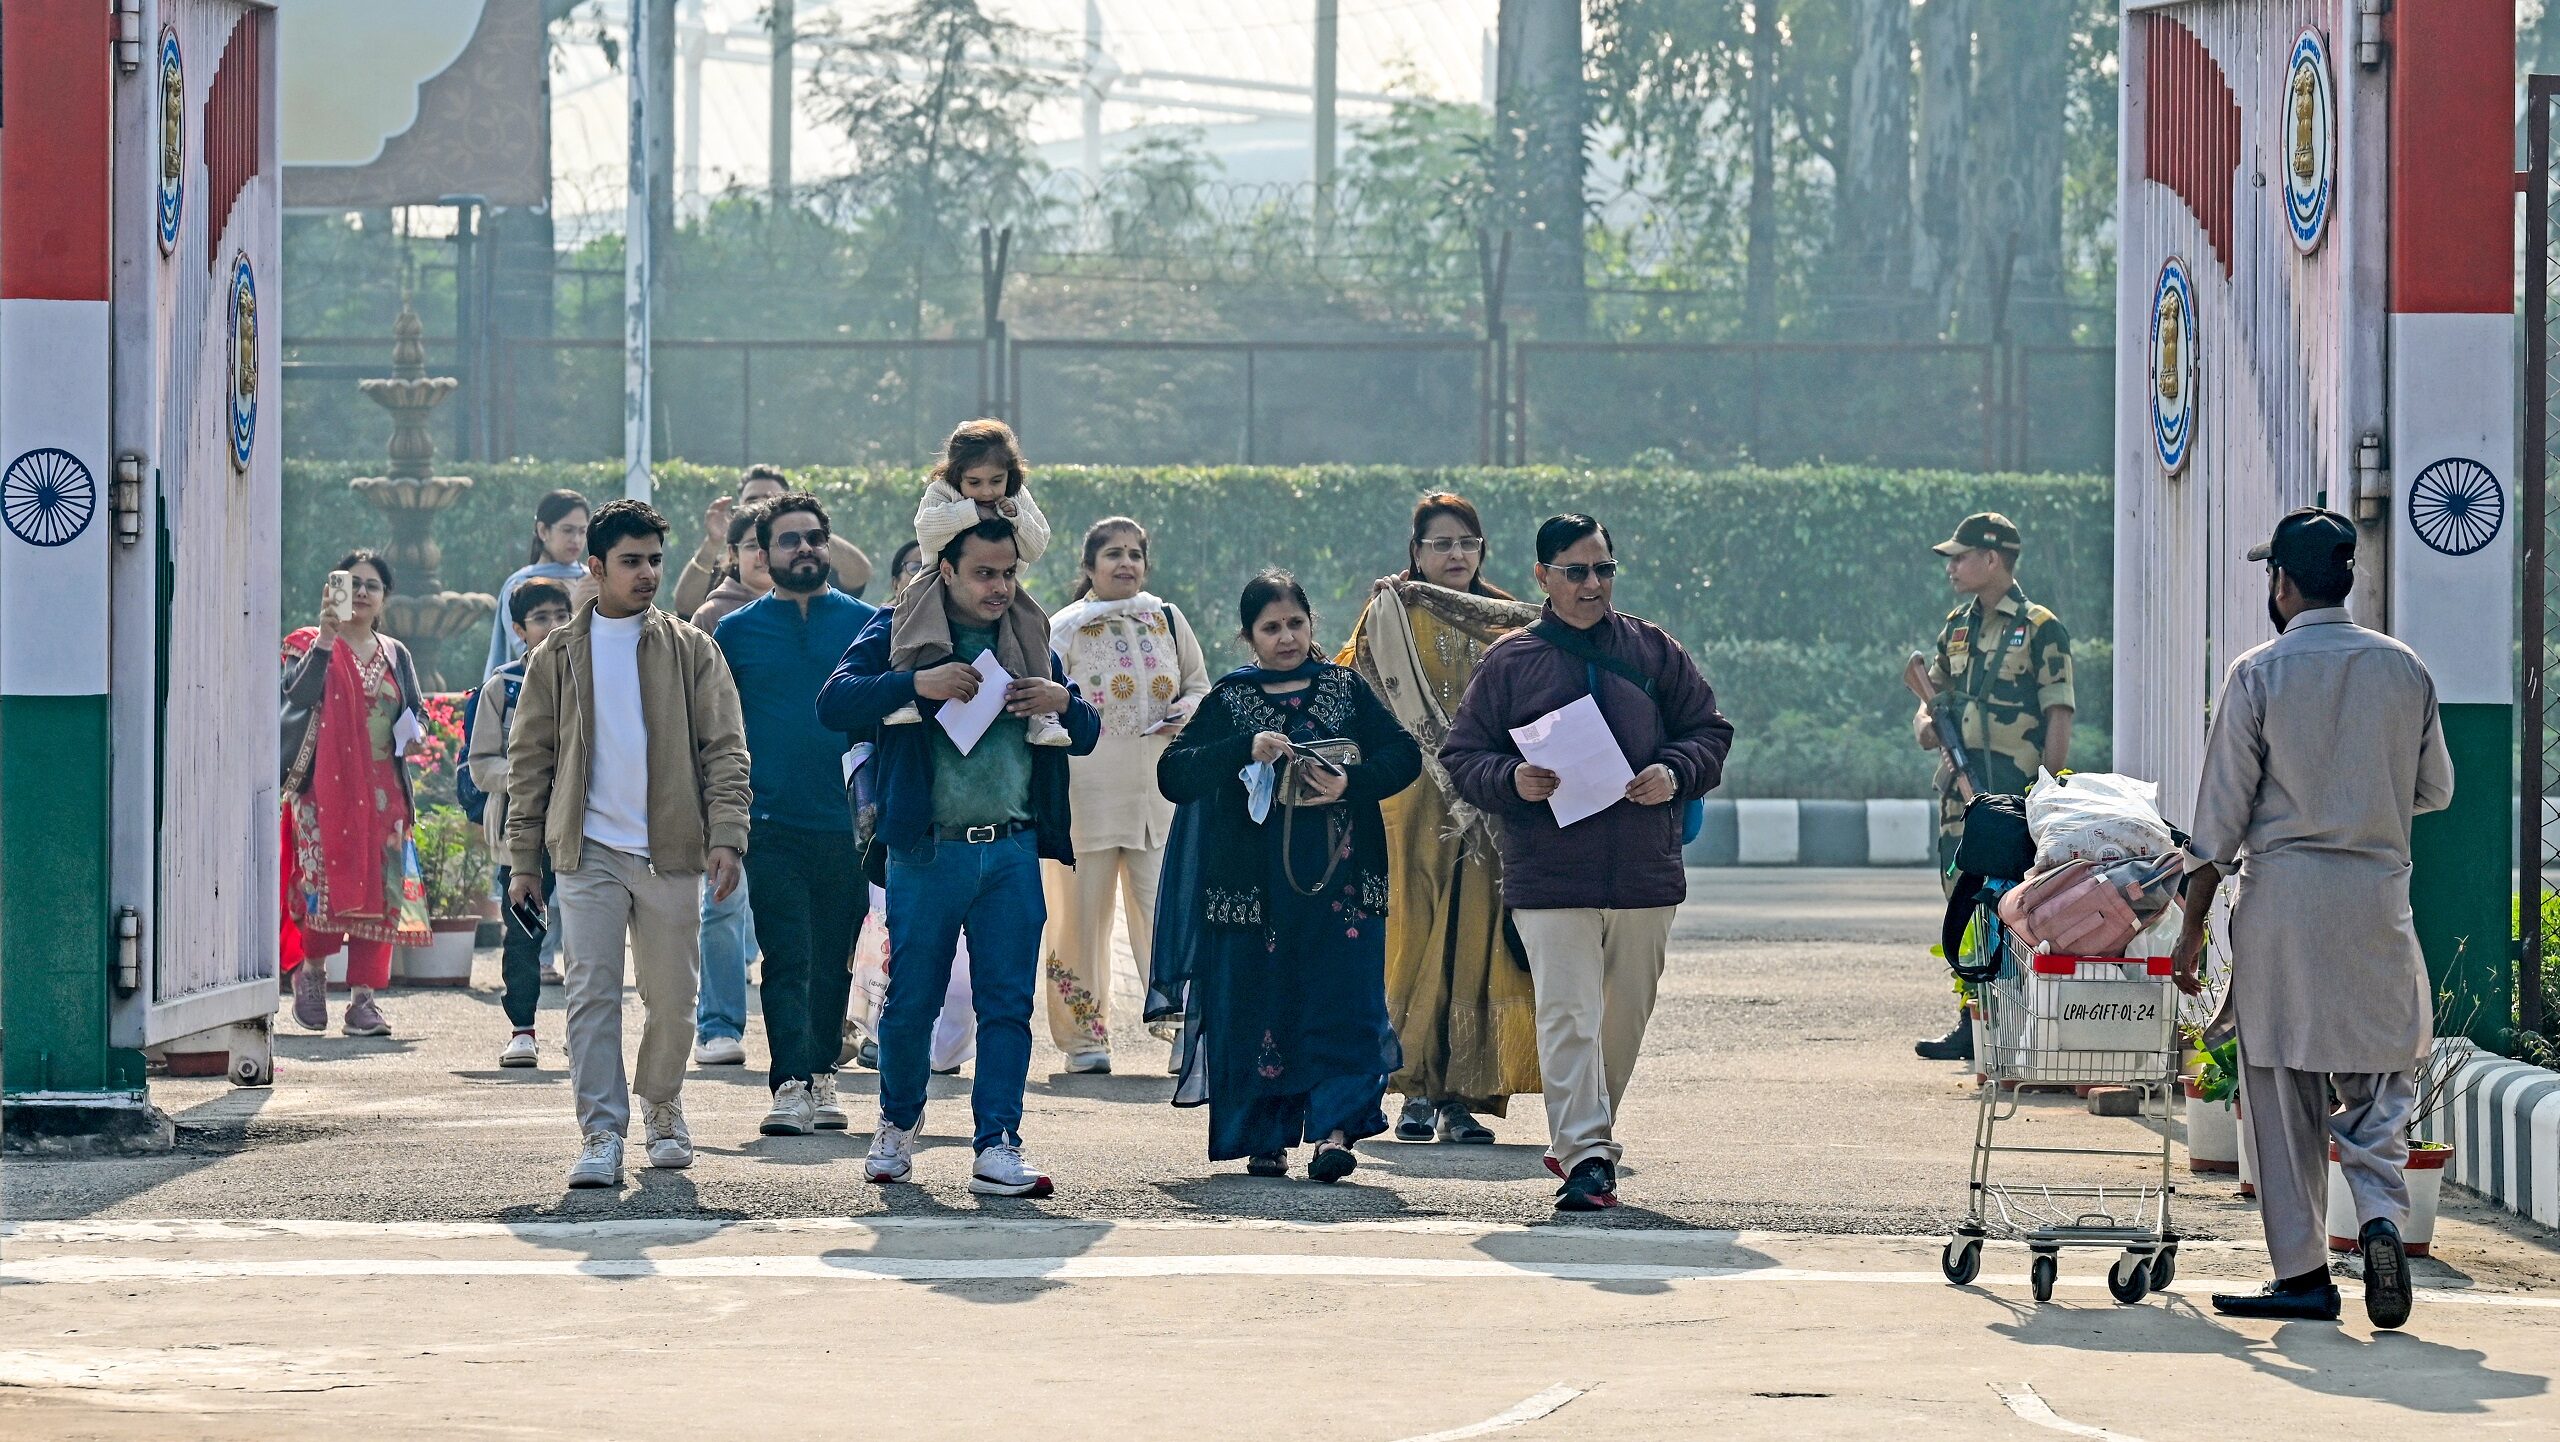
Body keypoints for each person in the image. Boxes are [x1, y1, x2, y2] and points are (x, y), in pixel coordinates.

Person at [2172, 508, 2452, 1331]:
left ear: (2282, 584)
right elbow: (2435, 791)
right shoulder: (2406, 670)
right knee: (2377, 1084)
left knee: (2280, 1090)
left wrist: (2191, 928)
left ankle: (2303, 1274)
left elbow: (2217, 822)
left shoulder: (2258, 675)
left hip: (2285, 906)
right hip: (2374, 904)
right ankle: (2376, 1221)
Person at [1442, 515, 1733, 1211]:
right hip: (1550, 874)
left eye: (1603, 569)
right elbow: (1463, 757)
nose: (1593, 583)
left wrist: (1673, 769)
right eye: (1576, 571)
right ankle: (1586, 1155)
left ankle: (1585, 1136)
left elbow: (1710, 732)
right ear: (1543, 577)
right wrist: (1511, 779)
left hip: (1644, 873)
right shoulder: (1511, 660)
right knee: (1568, 1016)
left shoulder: (1654, 649)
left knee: (1623, 1017)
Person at [816, 515, 1101, 1197]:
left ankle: (998, 1143)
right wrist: (919, 684)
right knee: (912, 1002)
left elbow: (1084, 731)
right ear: (944, 571)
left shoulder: (1031, 636)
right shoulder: (898, 629)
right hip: (926, 853)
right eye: (983, 574)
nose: (999, 587)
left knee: (1007, 1005)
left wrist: (1064, 700)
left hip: (1011, 851)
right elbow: (834, 702)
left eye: (1008, 573)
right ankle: (895, 1127)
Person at [505, 499, 752, 1191]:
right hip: (587, 853)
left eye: (653, 560)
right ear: (596, 567)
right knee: (590, 994)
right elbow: (531, 761)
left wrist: (728, 835)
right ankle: (601, 1131)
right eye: (630, 561)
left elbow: (725, 749)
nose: (646, 574)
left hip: (672, 849)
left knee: (674, 1000)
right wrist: (525, 860)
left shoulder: (689, 647)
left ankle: (663, 1106)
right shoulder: (557, 655)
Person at [1155, 571, 1422, 1181]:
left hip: (1344, 885)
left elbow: (1403, 755)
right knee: (1258, 1004)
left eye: (1296, 624)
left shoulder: (1345, 689)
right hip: (1253, 895)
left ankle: (1334, 1133)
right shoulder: (1229, 699)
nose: (1286, 638)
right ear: (1247, 636)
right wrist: (1244, 749)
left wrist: (1350, 783)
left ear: (1312, 625)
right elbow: (1175, 775)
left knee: (1344, 1001)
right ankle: (1265, 1139)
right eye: (1271, 628)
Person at [1340, 493, 1544, 1144]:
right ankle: (1412, 1091)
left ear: (1482, 550)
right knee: (1413, 933)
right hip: (1410, 802)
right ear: (1415, 552)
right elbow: (1351, 690)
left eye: (1466, 543)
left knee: (1477, 941)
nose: (1455, 555)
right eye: (1440, 544)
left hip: (1489, 806)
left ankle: (1462, 1096)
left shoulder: (1511, 621)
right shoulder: (1391, 613)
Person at [714, 494, 878, 1135]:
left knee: (833, 953)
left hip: (851, 824)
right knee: (786, 953)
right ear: (763, 553)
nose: (804, 548)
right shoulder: (735, 633)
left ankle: (823, 1075)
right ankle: (789, 1085)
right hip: (770, 822)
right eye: (789, 540)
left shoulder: (870, 626)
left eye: (815, 538)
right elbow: (718, 732)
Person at [1040, 518, 1212, 1075]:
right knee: (1078, 919)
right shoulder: (1064, 629)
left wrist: (1184, 713)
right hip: (1083, 798)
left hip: (1157, 801)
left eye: (1135, 554)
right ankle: (1084, 1040)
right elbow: (1042, 707)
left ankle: (1183, 1028)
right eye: (1112, 554)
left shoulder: (1164, 618)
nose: (1126, 564)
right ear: (1088, 568)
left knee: (1165, 910)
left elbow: (1199, 685)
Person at [1911, 511, 2075, 1063]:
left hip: (2011, 792)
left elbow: (2058, 714)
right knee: (1961, 898)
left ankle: (2020, 1024)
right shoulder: (1955, 626)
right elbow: (1928, 696)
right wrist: (1927, 726)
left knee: (2014, 903)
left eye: (1960, 557)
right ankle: (1973, 1020)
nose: (1952, 567)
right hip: (1959, 795)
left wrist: (2049, 791)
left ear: (1993, 560)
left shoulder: (2041, 627)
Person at [280, 550, 430, 1038]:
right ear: (333, 589)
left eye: (373, 585)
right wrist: (327, 638)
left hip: (386, 794)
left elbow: (418, 711)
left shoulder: (394, 653)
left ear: (384, 598)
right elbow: (295, 696)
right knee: (321, 882)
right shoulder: (304, 642)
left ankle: (364, 1000)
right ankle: (314, 976)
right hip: (323, 792)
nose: (362, 592)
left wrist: (414, 730)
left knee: (383, 894)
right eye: (353, 583)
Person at [882, 419, 1067, 746]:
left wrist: (1015, 516)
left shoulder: (1016, 497)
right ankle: (901, 693)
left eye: (996, 481)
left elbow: (1036, 545)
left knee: (1034, 622)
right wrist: (972, 513)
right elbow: (926, 529)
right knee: (909, 617)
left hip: (1007, 589)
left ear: (1011, 473)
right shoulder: (941, 492)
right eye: (975, 482)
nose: (986, 492)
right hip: (934, 580)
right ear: (956, 476)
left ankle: (1042, 716)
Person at [467, 577, 573, 1067]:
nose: (553, 626)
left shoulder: (587, 677)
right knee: (524, 930)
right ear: (518, 629)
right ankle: (522, 1030)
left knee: (588, 932)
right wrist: (532, 775)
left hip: (580, 825)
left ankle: (585, 1028)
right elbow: (481, 762)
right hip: (520, 828)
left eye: (560, 615)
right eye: (541, 619)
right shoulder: (503, 687)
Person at [687, 499, 774, 1068]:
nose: (769, 557)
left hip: (800, 790)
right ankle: (718, 1024)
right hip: (730, 788)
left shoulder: (826, 615)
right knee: (721, 906)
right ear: (733, 554)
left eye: (782, 543)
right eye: (755, 546)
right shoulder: (713, 621)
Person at [671, 463, 872, 617]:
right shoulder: (728, 563)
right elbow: (685, 607)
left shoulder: (807, 560)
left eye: (772, 499)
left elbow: (859, 573)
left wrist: (804, 525)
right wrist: (713, 541)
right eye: (752, 501)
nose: (763, 506)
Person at [484, 488, 592, 681]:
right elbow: (527, 654)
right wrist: (572, 610)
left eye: (582, 531)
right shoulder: (519, 585)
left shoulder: (593, 579)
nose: (576, 539)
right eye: (567, 530)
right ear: (543, 530)